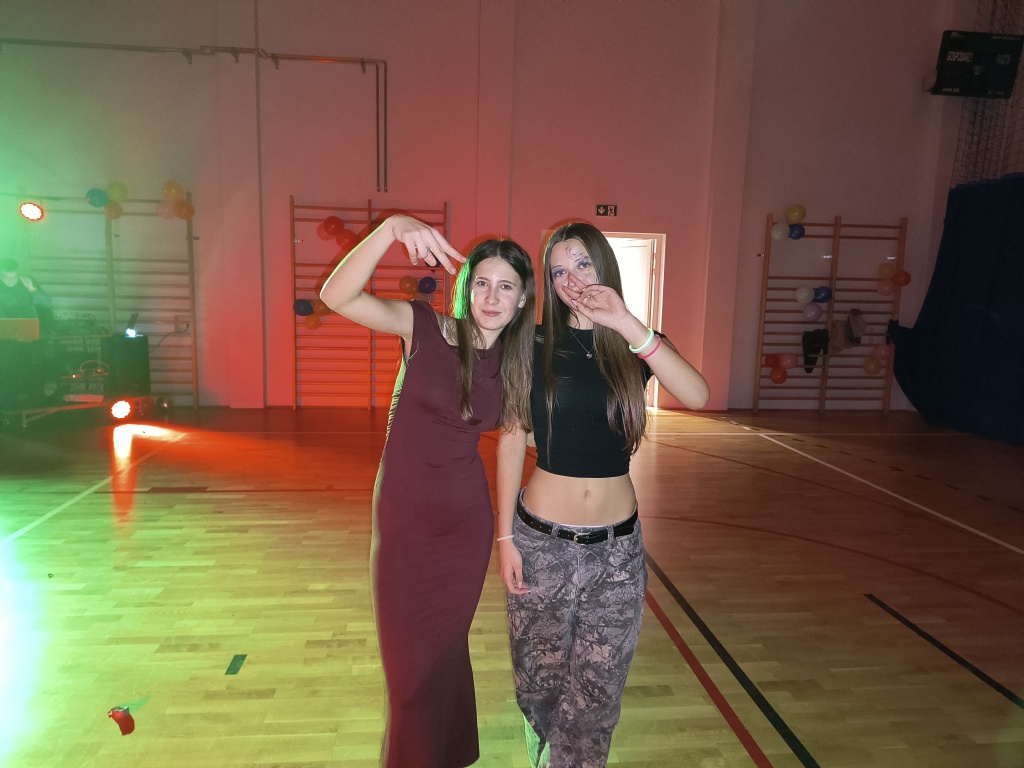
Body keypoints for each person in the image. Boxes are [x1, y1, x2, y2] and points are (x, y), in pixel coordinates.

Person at [319, 214, 536, 768]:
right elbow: (336, 296)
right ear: (465, 287)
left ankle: (448, 754)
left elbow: (512, 445)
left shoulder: (516, 362)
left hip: (463, 526)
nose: (491, 297)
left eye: (505, 286)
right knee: (407, 678)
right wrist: (391, 228)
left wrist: (507, 536)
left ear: (521, 300)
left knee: (442, 655)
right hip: (404, 521)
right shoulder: (424, 327)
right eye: (481, 282)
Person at [496, 222, 710, 768]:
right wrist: (504, 538)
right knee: (538, 679)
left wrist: (625, 323)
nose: (571, 280)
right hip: (541, 544)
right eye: (558, 271)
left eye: (583, 264)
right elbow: (512, 438)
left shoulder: (635, 345)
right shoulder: (535, 345)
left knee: (599, 691)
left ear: (605, 267)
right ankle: (545, 744)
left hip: (617, 553)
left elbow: (697, 394)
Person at [0, 258, 53, 322]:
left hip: (29, 325)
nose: (11, 280)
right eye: (7, 277)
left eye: (15, 276)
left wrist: (32, 289)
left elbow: (47, 302)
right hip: (4, 325)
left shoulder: (26, 281)